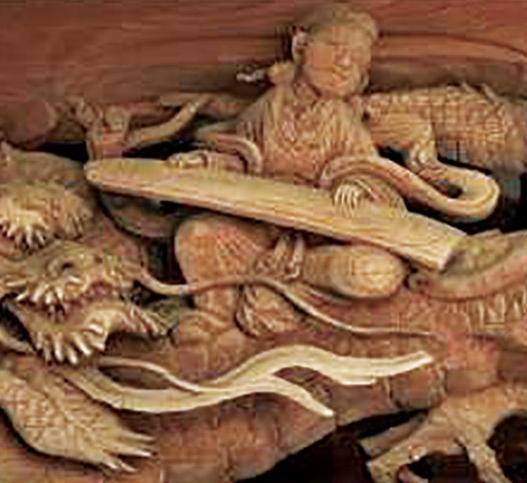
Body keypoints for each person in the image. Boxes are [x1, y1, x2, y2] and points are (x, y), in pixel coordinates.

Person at [169, 4, 407, 343]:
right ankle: (217, 316)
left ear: (363, 79)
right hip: (261, 235)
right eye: (335, 47)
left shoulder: (343, 120)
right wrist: (207, 161)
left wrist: (356, 185)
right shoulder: (266, 107)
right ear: (300, 46)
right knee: (196, 235)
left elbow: (373, 172)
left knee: (369, 272)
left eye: (357, 60)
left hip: (315, 246)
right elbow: (241, 159)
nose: (344, 63)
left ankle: (297, 298)